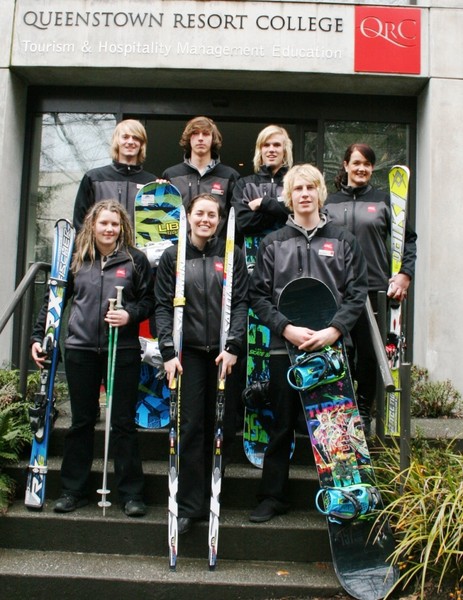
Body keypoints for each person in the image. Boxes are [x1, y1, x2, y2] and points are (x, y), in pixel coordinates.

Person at [248, 164, 368, 523]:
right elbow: (258, 296)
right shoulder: (273, 243)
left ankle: (343, 496)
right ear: (289, 196)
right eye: (297, 188)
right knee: (282, 424)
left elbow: (357, 293)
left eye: (309, 188)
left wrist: (334, 331)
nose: (303, 194)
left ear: (319, 193)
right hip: (284, 348)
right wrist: (285, 328)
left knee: (332, 425)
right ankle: (272, 497)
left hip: (330, 348)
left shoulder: (344, 240)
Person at [31, 200, 155, 516]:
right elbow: (54, 300)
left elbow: (149, 302)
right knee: (82, 421)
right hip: (81, 349)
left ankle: (131, 494)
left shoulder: (135, 260)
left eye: (115, 224)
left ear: (122, 226)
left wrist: (129, 315)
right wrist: (38, 337)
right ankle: (74, 490)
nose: (109, 229)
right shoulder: (75, 260)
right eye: (104, 223)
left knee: (123, 422)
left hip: (123, 350)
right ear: (93, 225)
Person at [155, 193, 248, 534]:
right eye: (200, 213)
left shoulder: (232, 255)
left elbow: (240, 303)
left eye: (212, 214)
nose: (205, 219)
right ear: (189, 217)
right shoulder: (173, 256)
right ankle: (190, 505)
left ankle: (215, 493)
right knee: (191, 426)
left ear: (219, 219)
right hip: (189, 354)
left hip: (223, 353)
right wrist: (168, 351)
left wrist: (235, 345)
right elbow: (163, 306)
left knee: (220, 425)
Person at [324, 143, 417, 435]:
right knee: (339, 352)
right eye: (356, 163)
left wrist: (405, 275)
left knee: (366, 353)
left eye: (367, 164)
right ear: (346, 165)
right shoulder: (329, 201)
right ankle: (341, 409)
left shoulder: (383, 200)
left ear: (372, 168)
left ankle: (363, 411)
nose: (361, 168)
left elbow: (408, 241)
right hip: (336, 290)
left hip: (374, 289)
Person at [162, 116, 240, 238]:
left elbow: (236, 219)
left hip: (217, 252)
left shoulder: (229, 176)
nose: (200, 138)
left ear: (213, 139)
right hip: (179, 251)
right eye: (195, 133)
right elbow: (164, 216)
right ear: (188, 138)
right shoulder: (172, 175)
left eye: (206, 134)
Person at [73, 119, 157, 232]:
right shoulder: (94, 178)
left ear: (142, 144)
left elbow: (158, 223)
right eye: (125, 137)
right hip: (102, 248)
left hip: (137, 249)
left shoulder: (152, 182)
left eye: (136, 138)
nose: (130, 142)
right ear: (116, 141)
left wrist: (165, 191)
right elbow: (80, 222)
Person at [232, 124, 293, 238]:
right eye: (266, 145)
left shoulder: (294, 184)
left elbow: (300, 216)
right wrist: (280, 210)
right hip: (253, 253)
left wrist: (263, 203)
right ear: (260, 150)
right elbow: (243, 223)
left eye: (276, 145)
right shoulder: (244, 184)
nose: (271, 150)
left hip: (288, 252)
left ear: (284, 151)